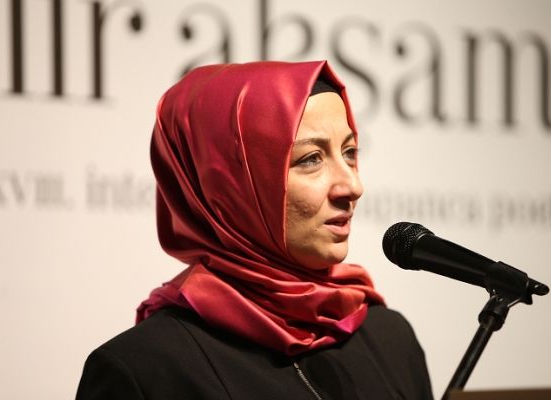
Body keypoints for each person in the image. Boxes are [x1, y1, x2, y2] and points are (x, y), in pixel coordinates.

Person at [76, 60, 433, 399]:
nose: (353, 186)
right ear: (229, 186)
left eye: (350, 152)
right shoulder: (144, 370)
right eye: (311, 159)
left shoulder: (390, 339)